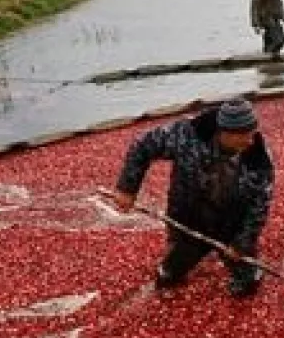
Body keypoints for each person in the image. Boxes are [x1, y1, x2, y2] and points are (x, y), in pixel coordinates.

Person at [113, 99, 274, 299]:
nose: (252, 140)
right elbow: (142, 146)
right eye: (245, 135)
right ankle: (176, 267)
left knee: (248, 280)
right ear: (225, 133)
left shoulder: (259, 159)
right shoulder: (186, 135)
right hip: (187, 219)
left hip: (231, 224)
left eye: (253, 133)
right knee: (168, 276)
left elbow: (259, 206)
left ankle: (246, 274)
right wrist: (127, 189)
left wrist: (242, 242)